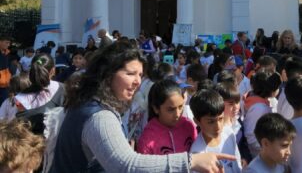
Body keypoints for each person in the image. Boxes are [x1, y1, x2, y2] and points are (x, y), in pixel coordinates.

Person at [51, 41, 235, 173]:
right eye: (130, 73)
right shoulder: (99, 115)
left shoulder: (91, 104)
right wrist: (191, 161)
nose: (137, 82)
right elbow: (126, 165)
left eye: (140, 74)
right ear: (107, 74)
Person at [137, 79, 197, 154]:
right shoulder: (147, 138)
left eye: (180, 107)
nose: (177, 114)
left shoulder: (189, 126)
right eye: (170, 109)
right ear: (156, 108)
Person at [190, 89, 242, 173]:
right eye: (211, 122)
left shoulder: (228, 133)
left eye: (220, 119)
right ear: (197, 121)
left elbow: (237, 161)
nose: (218, 126)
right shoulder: (197, 153)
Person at [15, 53, 64, 135]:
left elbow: (20, 127)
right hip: (59, 144)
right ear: (53, 70)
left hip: (31, 145)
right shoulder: (64, 89)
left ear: (32, 71)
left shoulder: (19, 98)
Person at [244, 72, 281, 158]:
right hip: (259, 153)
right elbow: (250, 136)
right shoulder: (259, 108)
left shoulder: (261, 102)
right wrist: (266, 150)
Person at [0, 36, 11, 105]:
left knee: (4, 103)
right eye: (6, 42)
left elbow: (7, 68)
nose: (8, 45)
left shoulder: (6, 53)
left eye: (9, 43)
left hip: (5, 84)